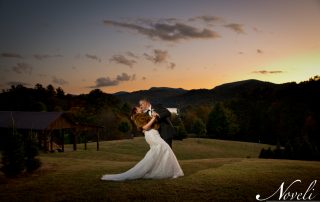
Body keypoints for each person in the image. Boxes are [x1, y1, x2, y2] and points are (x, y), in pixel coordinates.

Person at [100, 106, 184, 181]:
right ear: (136, 111)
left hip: (154, 134)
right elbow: (145, 127)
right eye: (139, 108)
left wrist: (153, 117)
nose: (141, 108)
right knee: (165, 149)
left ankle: (165, 171)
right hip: (152, 135)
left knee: (160, 152)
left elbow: (147, 125)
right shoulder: (137, 117)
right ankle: (171, 172)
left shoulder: (141, 116)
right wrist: (154, 118)